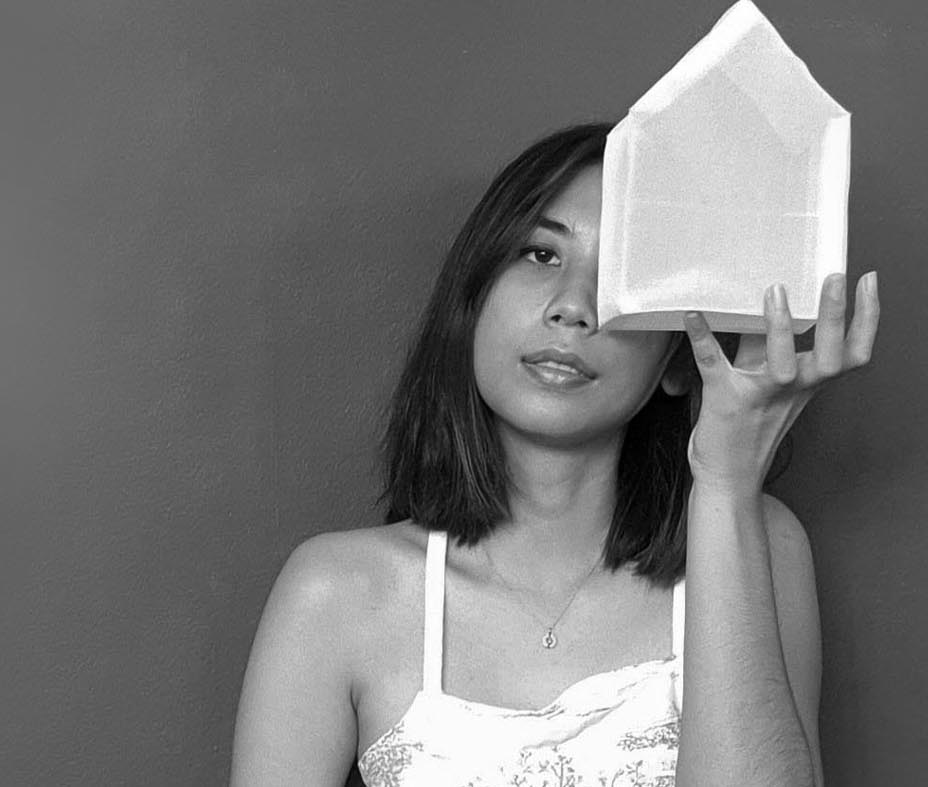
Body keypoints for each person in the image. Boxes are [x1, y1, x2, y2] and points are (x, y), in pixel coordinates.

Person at [231, 122, 880, 786]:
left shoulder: (756, 540)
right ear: (472, 300)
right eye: (541, 254)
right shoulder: (337, 593)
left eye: (620, 279)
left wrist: (724, 485)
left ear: (676, 359)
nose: (573, 307)